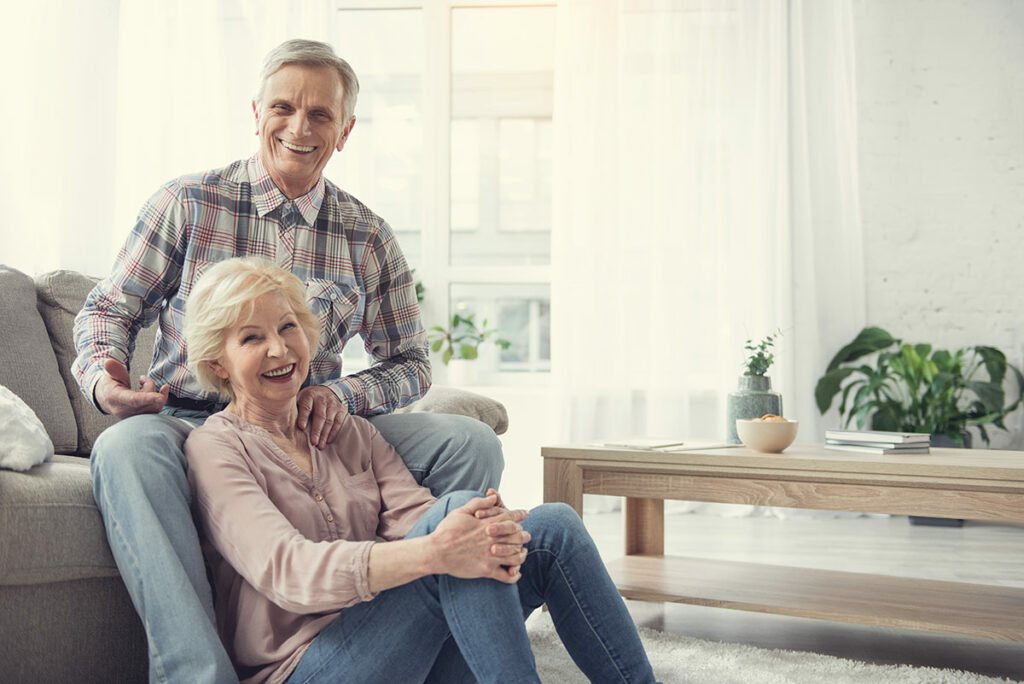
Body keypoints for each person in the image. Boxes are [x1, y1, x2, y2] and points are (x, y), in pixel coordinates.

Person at [72, 39, 504, 683]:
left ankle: (396, 637)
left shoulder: (367, 235)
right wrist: (105, 381)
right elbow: (107, 311)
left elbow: (411, 362)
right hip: (189, 419)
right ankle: (199, 674)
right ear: (256, 113)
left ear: (346, 130)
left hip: (312, 424)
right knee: (125, 449)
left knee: (467, 442)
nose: (299, 128)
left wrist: (342, 397)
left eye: (321, 115)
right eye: (284, 107)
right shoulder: (187, 203)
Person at [182, 256, 658, 684]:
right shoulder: (216, 449)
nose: (280, 349)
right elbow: (290, 573)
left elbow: (419, 515)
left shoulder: (348, 432)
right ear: (218, 365)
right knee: (453, 528)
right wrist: (436, 553)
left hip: (403, 648)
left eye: (288, 328)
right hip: (306, 668)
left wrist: (488, 530)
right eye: (252, 338)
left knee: (553, 528)